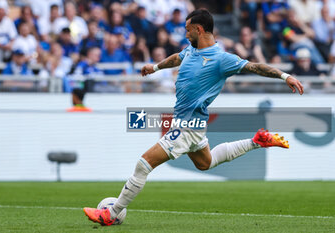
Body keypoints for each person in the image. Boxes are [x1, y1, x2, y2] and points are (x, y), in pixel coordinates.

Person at [83, 9, 304, 226]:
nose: (185, 34)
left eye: (188, 30)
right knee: (205, 163)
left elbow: (255, 66)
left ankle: (111, 213)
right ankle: (256, 141)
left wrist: (285, 76)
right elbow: (175, 59)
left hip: (188, 125)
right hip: (191, 123)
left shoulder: (221, 59)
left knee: (144, 163)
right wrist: (155, 67)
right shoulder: (190, 50)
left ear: (199, 29)